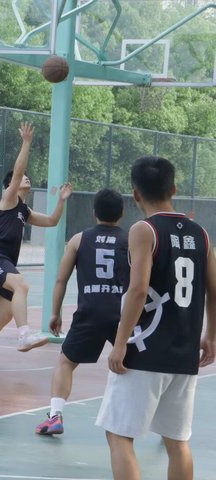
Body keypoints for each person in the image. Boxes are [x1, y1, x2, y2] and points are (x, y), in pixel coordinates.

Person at [96, 156, 216, 480]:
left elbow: (138, 290)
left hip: (145, 352)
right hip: (184, 356)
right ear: (173, 188)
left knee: (119, 435)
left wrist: (120, 343)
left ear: (135, 194)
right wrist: (211, 335)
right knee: (178, 441)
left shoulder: (144, 230)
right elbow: (214, 290)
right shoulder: (201, 234)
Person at [0, 122, 72, 365]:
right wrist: (26, 142)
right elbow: (18, 171)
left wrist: (62, 201)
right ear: (11, 184)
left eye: (27, 177)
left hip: (1, 260)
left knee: (5, 313)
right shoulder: (8, 198)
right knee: (21, 285)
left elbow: (52, 221)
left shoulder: (24, 210)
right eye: (23, 177)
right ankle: (24, 336)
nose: (26, 178)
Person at [35, 188, 128, 436]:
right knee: (140, 366)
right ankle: (161, 425)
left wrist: (55, 313)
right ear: (121, 214)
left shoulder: (79, 240)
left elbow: (61, 280)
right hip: (122, 314)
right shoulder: (130, 241)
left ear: (94, 212)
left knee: (66, 362)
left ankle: (55, 416)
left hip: (90, 312)